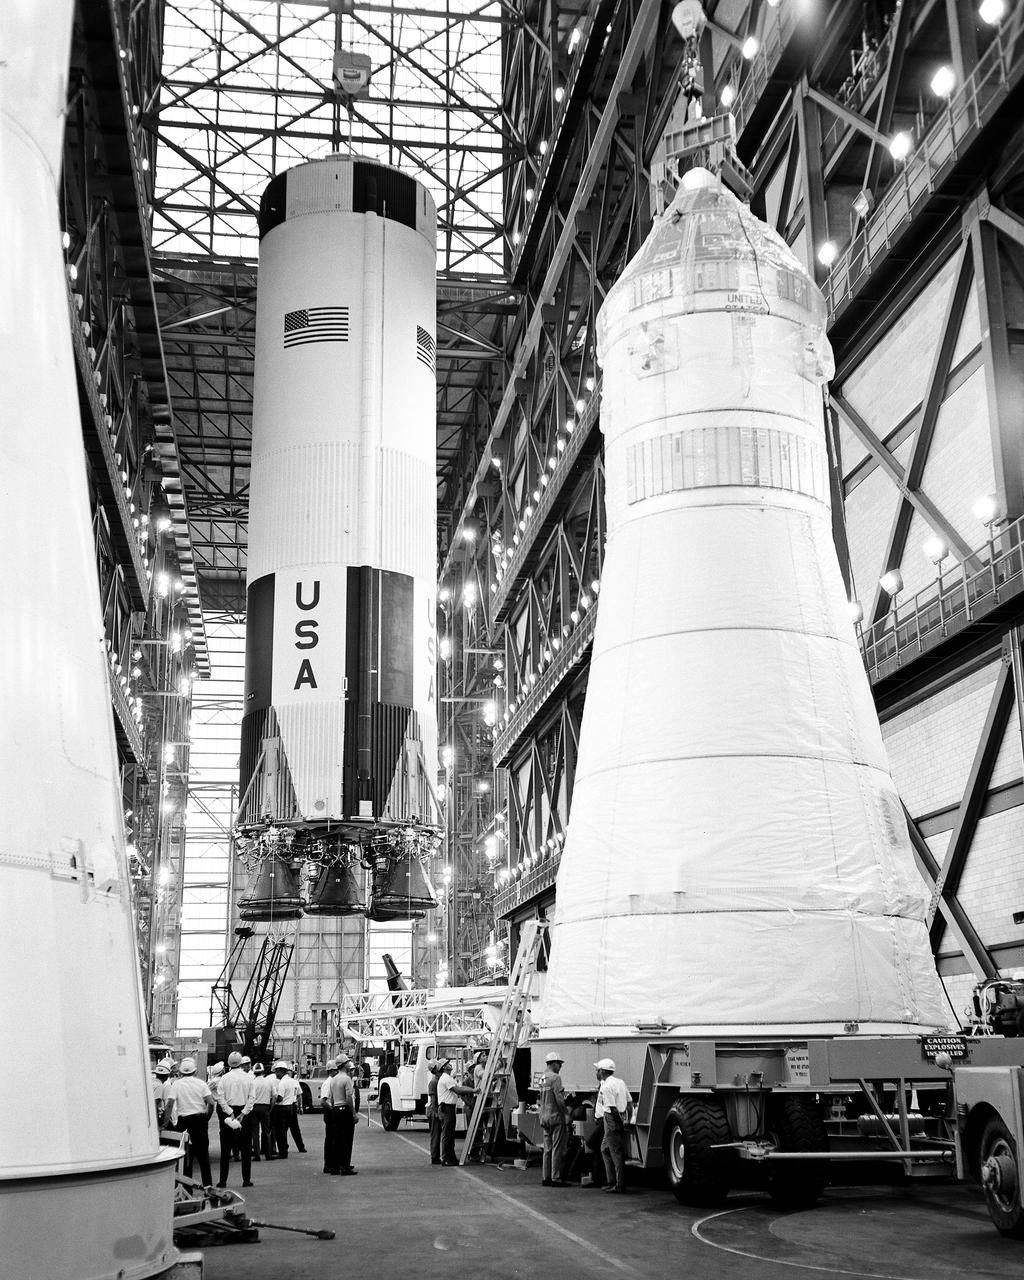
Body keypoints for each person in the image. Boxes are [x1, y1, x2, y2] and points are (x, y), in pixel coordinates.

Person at [167, 1058, 215, 1188]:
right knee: (203, 1156)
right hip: (199, 1121)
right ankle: (208, 1187)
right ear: (195, 1071)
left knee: (186, 1158)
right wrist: (206, 1117)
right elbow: (211, 1102)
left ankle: (187, 1190)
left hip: (184, 1123)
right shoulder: (201, 1084)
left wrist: (165, 1123)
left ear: (181, 1072)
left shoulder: (176, 1084)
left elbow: (170, 1104)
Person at [216, 1050, 255, 1188]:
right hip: (244, 1114)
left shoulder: (224, 1078)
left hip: (229, 1114)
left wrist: (229, 1112)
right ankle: (246, 1180)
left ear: (228, 1063)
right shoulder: (249, 1078)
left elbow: (220, 1098)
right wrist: (243, 1113)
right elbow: (252, 1098)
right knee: (245, 1148)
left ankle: (223, 1181)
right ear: (241, 1062)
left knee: (225, 1149)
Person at [594, 1058, 630, 1193]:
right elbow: (630, 1102)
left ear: (602, 1072)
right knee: (604, 1148)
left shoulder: (606, 1087)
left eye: (597, 1070)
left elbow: (612, 1108)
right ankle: (611, 1180)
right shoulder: (620, 1082)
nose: (596, 1073)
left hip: (611, 1120)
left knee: (615, 1152)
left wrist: (618, 1124)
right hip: (617, 1117)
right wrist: (628, 1118)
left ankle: (619, 1184)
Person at [436, 1057, 477, 1166]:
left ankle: (450, 1157)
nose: (450, 1064)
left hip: (449, 1108)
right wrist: (473, 1090)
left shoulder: (448, 1078)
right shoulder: (446, 1078)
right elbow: (458, 1090)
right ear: (444, 1067)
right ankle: (446, 1158)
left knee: (449, 1135)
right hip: (447, 1108)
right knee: (447, 1135)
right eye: (448, 1063)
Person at [539, 1051, 569, 1187]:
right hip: (555, 1116)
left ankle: (546, 1177)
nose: (561, 1066)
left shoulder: (543, 1077)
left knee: (547, 1148)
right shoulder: (556, 1078)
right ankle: (556, 1178)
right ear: (554, 1063)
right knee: (557, 1148)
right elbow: (559, 1098)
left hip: (544, 1116)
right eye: (559, 1064)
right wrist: (566, 1114)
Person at [325, 1057, 358, 1175]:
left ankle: (335, 1167)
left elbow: (332, 1098)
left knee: (337, 1139)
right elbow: (349, 1097)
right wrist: (353, 1113)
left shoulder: (333, 1079)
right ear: (344, 1065)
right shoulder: (347, 1079)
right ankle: (345, 1167)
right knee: (347, 1140)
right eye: (348, 1063)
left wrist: (334, 1109)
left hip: (335, 1110)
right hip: (345, 1110)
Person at [270, 1060, 303, 1156]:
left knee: (281, 1132)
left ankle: (283, 1152)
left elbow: (280, 1098)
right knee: (288, 1129)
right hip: (290, 1107)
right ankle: (290, 1148)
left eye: (277, 1071)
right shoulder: (292, 1081)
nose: (276, 1074)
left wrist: (274, 1098)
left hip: (282, 1108)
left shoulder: (282, 1083)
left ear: (281, 1071)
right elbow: (298, 1095)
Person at [249, 1062, 274, 1160]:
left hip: (254, 1108)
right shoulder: (268, 1082)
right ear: (263, 1071)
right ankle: (268, 1154)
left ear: (254, 1072)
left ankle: (257, 1155)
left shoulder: (252, 1082)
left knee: (255, 1132)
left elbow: (249, 1097)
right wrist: (270, 1107)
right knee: (266, 1131)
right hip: (265, 1107)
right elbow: (275, 1096)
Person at [320, 1060, 340, 1174]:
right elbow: (323, 1101)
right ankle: (328, 1165)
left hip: (331, 1112)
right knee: (331, 1140)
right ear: (331, 1071)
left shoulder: (334, 1081)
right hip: (330, 1113)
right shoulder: (329, 1083)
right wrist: (332, 1110)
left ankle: (333, 1163)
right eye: (336, 1070)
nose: (337, 1072)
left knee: (333, 1139)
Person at [285, 1063, 307, 1152]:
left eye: (289, 1072)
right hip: (289, 1106)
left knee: (294, 1129)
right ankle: (298, 1147)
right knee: (287, 1129)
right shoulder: (287, 1082)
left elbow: (299, 1095)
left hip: (291, 1105)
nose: (288, 1074)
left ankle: (300, 1147)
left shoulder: (294, 1082)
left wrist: (300, 1106)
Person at [426, 1059, 444, 1165]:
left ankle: (436, 1155)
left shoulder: (439, 1080)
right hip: (434, 1111)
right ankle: (434, 1156)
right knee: (436, 1135)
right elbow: (433, 1099)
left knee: (437, 1134)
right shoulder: (434, 1082)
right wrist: (437, 1113)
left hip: (436, 1110)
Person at [151, 1062, 171, 1128]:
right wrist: (156, 1125)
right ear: (167, 1076)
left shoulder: (152, 1082)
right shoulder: (159, 1086)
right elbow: (154, 1106)